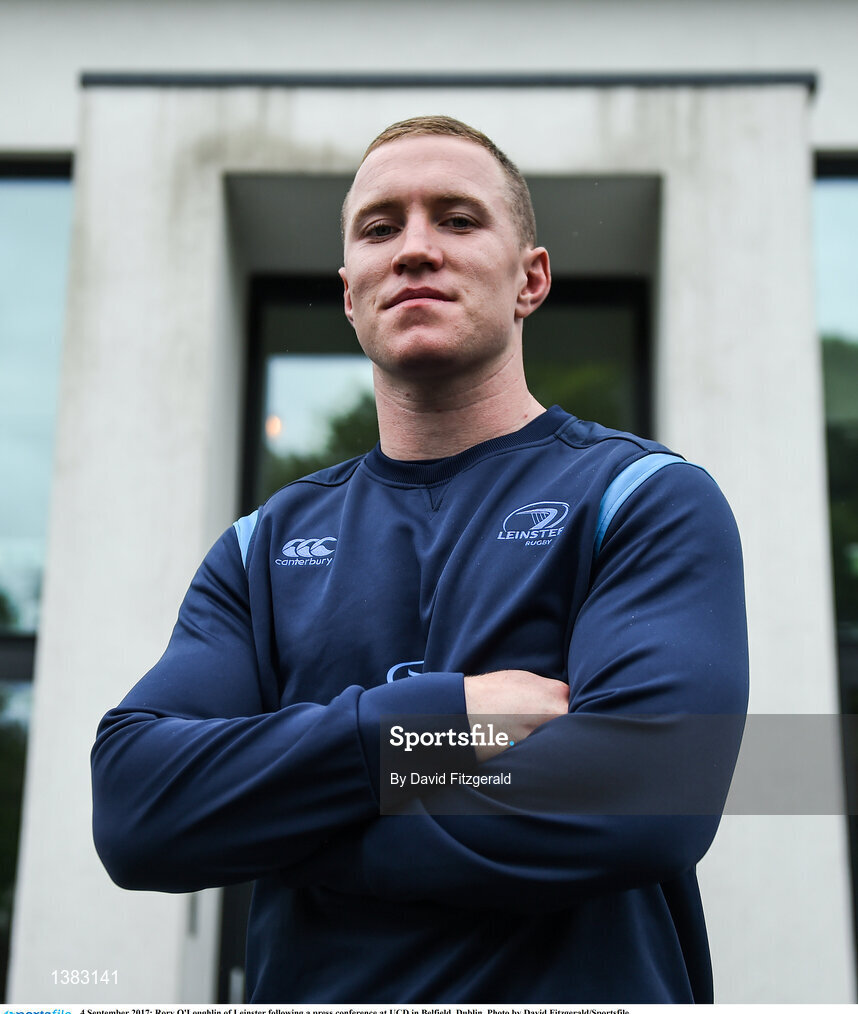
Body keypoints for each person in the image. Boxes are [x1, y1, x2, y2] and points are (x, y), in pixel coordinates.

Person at [91, 115, 749, 1003]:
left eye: (457, 219)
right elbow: (137, 808)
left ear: (531, 279)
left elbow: (644, 792)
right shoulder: (262, 550)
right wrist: (449, 718)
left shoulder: (641, 498)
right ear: (351, 288)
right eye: (379, 228)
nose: (414, 250)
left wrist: (284, 823)